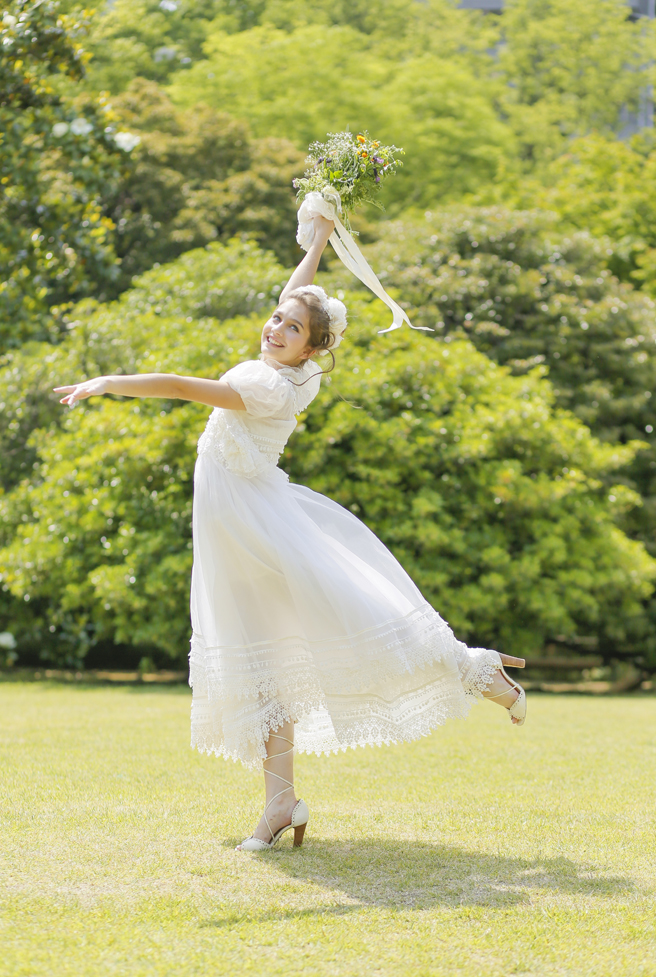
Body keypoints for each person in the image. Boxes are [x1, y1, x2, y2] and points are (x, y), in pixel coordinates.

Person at [54, 215, 526, 853]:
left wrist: (108, 383)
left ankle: (475, 671)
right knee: (268, 669)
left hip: (252, 530)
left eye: (292, 328)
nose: (275, 328)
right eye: (276, 320)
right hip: (239, 527)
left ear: (311, 348)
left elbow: (179, 386)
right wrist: (320, 241)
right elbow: (296, 293)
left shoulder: (267, 383)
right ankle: (281, 803)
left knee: (349, 625)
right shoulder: (300, 371)